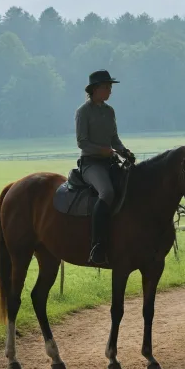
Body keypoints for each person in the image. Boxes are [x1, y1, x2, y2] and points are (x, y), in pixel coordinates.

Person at [75, 70, 135, 265]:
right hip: (91, 163)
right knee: (107, 192)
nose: (110, 90)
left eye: (110, 87)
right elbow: (82, 143)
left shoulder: (110, 111)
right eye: (106, 87)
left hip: (109, 161)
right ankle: (97, 246)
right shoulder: (83, 112)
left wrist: (124, 151)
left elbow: (114, 139)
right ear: (95, 89)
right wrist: (103, 151)